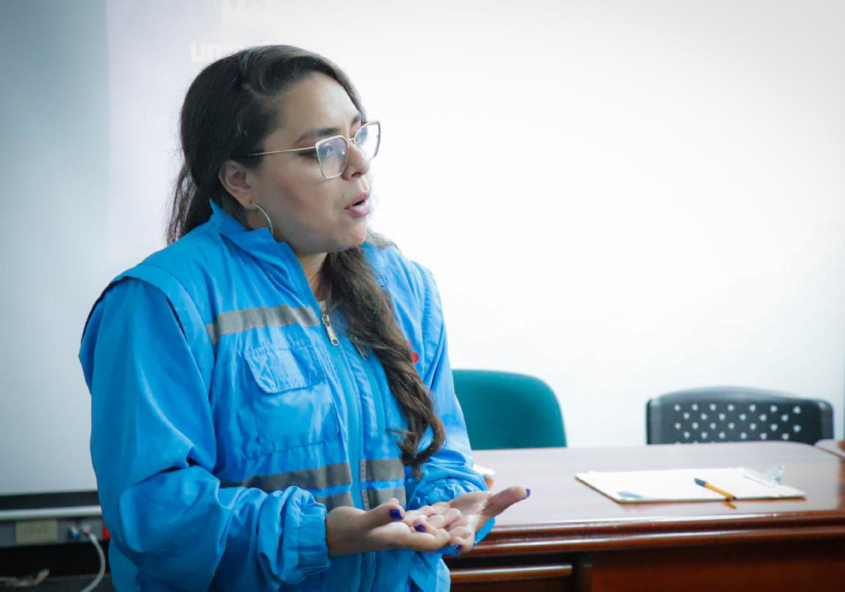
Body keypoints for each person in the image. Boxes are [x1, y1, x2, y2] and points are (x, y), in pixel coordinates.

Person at [79, 45, 527, 592]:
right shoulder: (161, 304)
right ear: (240, 180)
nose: (359, 164)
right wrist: (321, 534)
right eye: (325, 149)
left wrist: (448, 504)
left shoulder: (406, 286)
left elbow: (441, 449)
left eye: (357, 136)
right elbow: (155, 513)